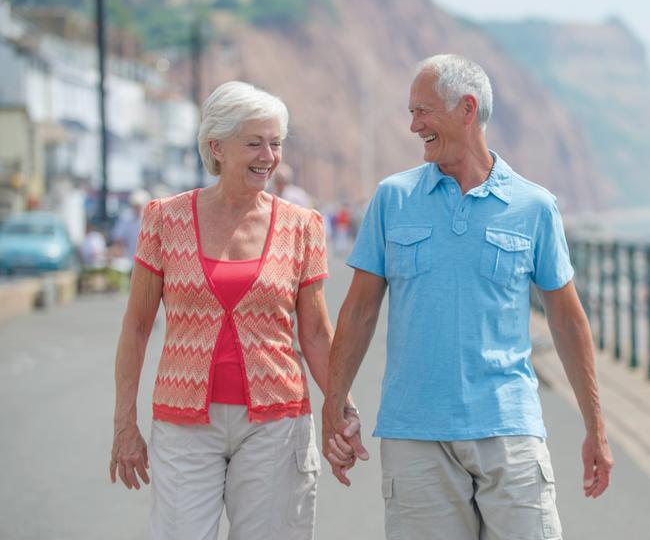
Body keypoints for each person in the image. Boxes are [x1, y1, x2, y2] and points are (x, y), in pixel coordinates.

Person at [322, 54, 613, 540]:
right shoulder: (392, 199)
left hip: (510, 428)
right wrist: (335, 404)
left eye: (423, 110)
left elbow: (567, 321)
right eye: (412, 112)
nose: (413, 125)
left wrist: (596, 428)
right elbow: (358, 310)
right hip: (414, 434)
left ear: (467, 109)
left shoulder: (534, 206)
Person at [109, 81, 363, 540]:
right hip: (184, 423)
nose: (268, 155)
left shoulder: (302, 226)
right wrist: (124, 423)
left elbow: (317, 335)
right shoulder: (164, 219)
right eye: (254, 142)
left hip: (277, 422)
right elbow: (136, 327)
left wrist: (341, 409)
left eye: (275, 142)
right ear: (216, 147)